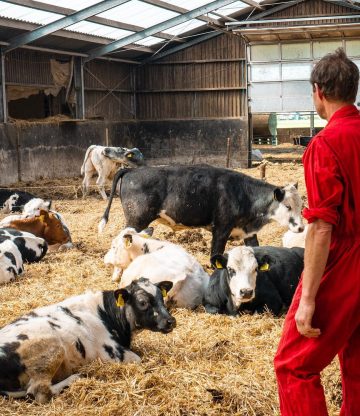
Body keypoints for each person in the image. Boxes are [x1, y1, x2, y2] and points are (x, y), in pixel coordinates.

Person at [274, 48, 360, 415]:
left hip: (345, 262)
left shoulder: (325, 144)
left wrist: (307, 298)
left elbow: (322, 226)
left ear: (318, 91)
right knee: (356, 362)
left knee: (293, 365)